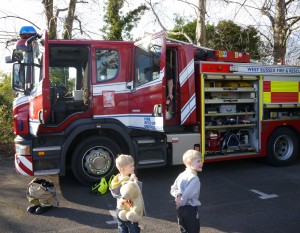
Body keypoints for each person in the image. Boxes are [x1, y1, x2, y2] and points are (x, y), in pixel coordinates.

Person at [170, 150, 203, 233]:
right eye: (198, 161)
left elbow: (173, 188)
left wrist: (178, 196)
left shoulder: (182, 174)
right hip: (189, 210)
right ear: (189, 163)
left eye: (201, 160)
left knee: (183, 229)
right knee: (193, 230)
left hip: (180, 209)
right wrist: (180, 202)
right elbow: (187, 195)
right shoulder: (194, 179)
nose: (201, 163)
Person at [109, 154, 141, 233]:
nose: (133, 167)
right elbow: (137, 191)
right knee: (134, 228)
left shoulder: (116, 179)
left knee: (122, 227)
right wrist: (135, 180)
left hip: (119, 208)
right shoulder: (128, 181)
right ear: (123, 169)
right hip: (129, 209)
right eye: (131, 166)